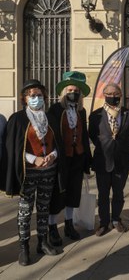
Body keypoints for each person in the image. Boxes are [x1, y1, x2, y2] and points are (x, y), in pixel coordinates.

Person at [0, 79, 65, 266]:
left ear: (44, 96)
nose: (35, 98)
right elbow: (13, 148)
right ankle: (24, 247)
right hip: (28, 172)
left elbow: (57, 143)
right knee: (25, 210)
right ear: (25, 98)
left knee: (44, 206)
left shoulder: (50, 117)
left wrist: (52, 155)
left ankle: (42, 242)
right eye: (31, 95)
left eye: (38, 95)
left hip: (48, 170)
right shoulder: (18, 118)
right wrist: (33, 159)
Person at [47, 71, 92, 246]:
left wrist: (87, 158)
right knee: (57, 193)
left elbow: (84, 134)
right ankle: (52, 227)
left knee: (74, 192)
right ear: (64, 92)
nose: (73, 92)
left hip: (77, 156)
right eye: (70, 89)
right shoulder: (55, 110)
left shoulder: (81, 111)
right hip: (61, 158)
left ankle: (68, 224)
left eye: (76, 90)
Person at [88, 83, 129, 236]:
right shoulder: (95, 116)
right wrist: (106, 146)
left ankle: (116, 219)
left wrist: (120, 147)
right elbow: (92, 135)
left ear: (120, 95)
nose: (112, 96)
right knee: (103, 194)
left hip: (121, 161)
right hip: (102, 161)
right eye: (109, 93)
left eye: (116, 93)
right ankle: (104, 223)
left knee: (118, 193)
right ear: (104, 95)